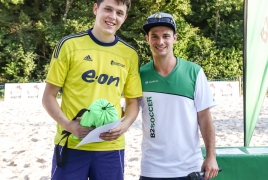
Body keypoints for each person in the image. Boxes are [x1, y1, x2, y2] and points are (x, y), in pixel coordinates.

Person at [42, 0, 142, 179]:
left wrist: (124, 126)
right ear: (96, 9)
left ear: (125, 18)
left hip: (110, 148)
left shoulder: (130, 54)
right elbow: (48, 96)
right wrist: (69, 125)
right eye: (108, 9)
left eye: (119, 13)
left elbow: (133, 101)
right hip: (72, 144)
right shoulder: (69, 45)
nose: (112, 16)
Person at [138, 12, 219, 180]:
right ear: (147, 39)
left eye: (166, 36)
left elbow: (204, 118)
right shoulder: (140, 74)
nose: (160, 41)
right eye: (154, 36)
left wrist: (211, 156)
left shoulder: (194, 72)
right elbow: (128, 112)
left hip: (189, 168)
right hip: (151, 169)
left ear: (175, 38)